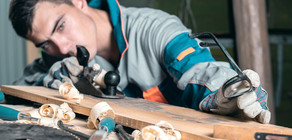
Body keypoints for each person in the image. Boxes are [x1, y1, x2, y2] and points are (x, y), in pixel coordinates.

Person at [8, 0, 271, 123]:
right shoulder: (57, 58)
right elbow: (14, 92)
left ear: (79, 2)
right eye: (45, 44)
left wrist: (227, 93)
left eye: (61, 26)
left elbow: (199, 69)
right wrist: (50, 80)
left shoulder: (154, 29)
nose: (62, 47)